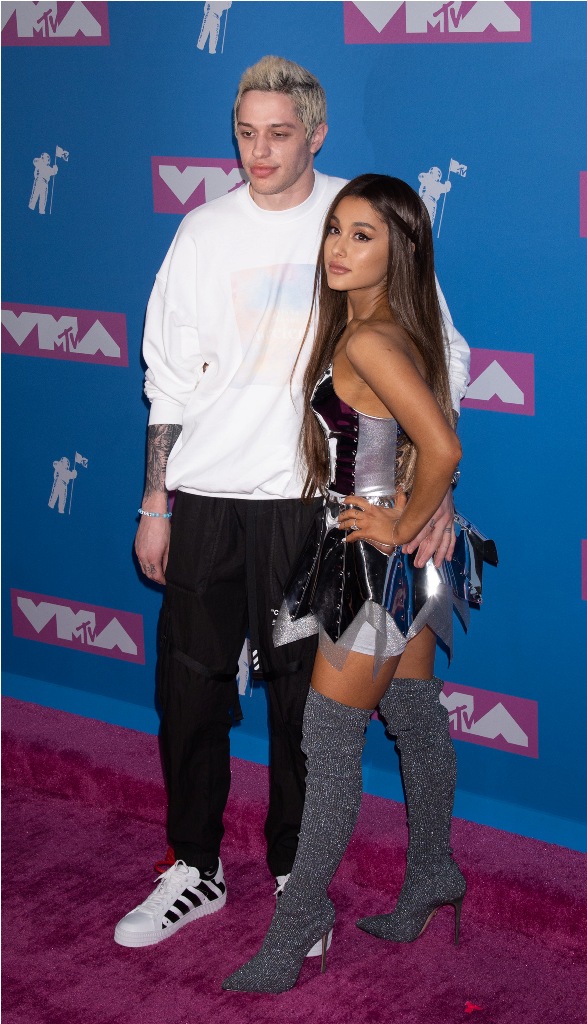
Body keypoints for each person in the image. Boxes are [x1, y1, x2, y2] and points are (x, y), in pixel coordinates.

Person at [114, 57, 470, 951]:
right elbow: (169, 374)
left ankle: (292, 874)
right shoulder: (200, 232)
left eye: (280, 133)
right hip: (202, 495)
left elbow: (440, 352)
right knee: (189, 694)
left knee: (295, 702)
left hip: (314, 508)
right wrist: (156, 499)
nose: (259, 151)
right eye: (245, 132)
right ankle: (193, 867)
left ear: (315, 133)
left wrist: (437, 491)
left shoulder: (364, 216)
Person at [223, 174, 470, 993]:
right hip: (408, 557)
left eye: (362, 235)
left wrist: (398, 523)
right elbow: (424, 439)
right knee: (412, 716)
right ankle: (432, 872)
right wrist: (418, 520)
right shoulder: (396, 325)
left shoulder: (369, 339)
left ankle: (295, 930)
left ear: (398, 247)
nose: (338, 246)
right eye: (335, 229)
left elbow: (441, 447)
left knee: (328, 743)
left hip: (372, 558)